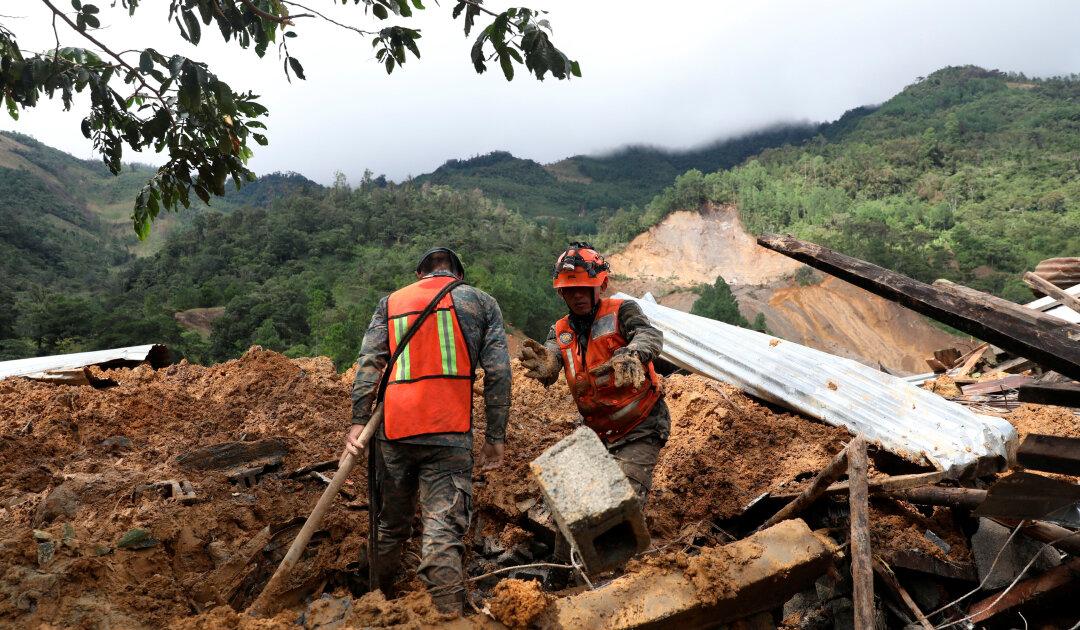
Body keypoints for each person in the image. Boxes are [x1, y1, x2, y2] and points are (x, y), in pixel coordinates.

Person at [345, 247, 510, 615]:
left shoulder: (392, 302)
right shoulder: (481, 303)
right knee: (441, 532)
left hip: (395, 432)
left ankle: (376, 604)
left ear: (421, 274)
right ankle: (449, 615)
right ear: (457, 275)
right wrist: (495, 438)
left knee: (389, 526)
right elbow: (498, 373)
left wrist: (359, 420)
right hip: (448, 432)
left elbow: (369, 364)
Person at [519, 242, 668, 504]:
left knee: (623, 504)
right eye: (570, 290)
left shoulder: (623, 311)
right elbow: (553, 355)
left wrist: (632, 353)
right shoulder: (560, 330)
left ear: (601, 284)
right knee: (567, 504)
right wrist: (549, 365)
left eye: (583, 289)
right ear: (561, 293)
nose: (577, 296)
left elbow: (648, 334)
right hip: (595, 431)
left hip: (640, 426)